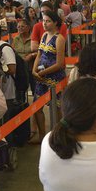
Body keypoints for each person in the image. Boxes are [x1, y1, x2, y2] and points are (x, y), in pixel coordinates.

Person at [31, 10, 66, 145]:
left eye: (48, 21)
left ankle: (58, 135)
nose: (44, 24)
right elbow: (39, 55)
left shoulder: (59, 39)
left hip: (55, 77)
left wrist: (42, 73)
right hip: (41, 77)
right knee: (36, 106)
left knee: (56, 108)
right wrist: (34, 71)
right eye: (43, 21)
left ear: (55, 22)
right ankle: (42, 136)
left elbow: (60, 63)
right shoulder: (44, 35)